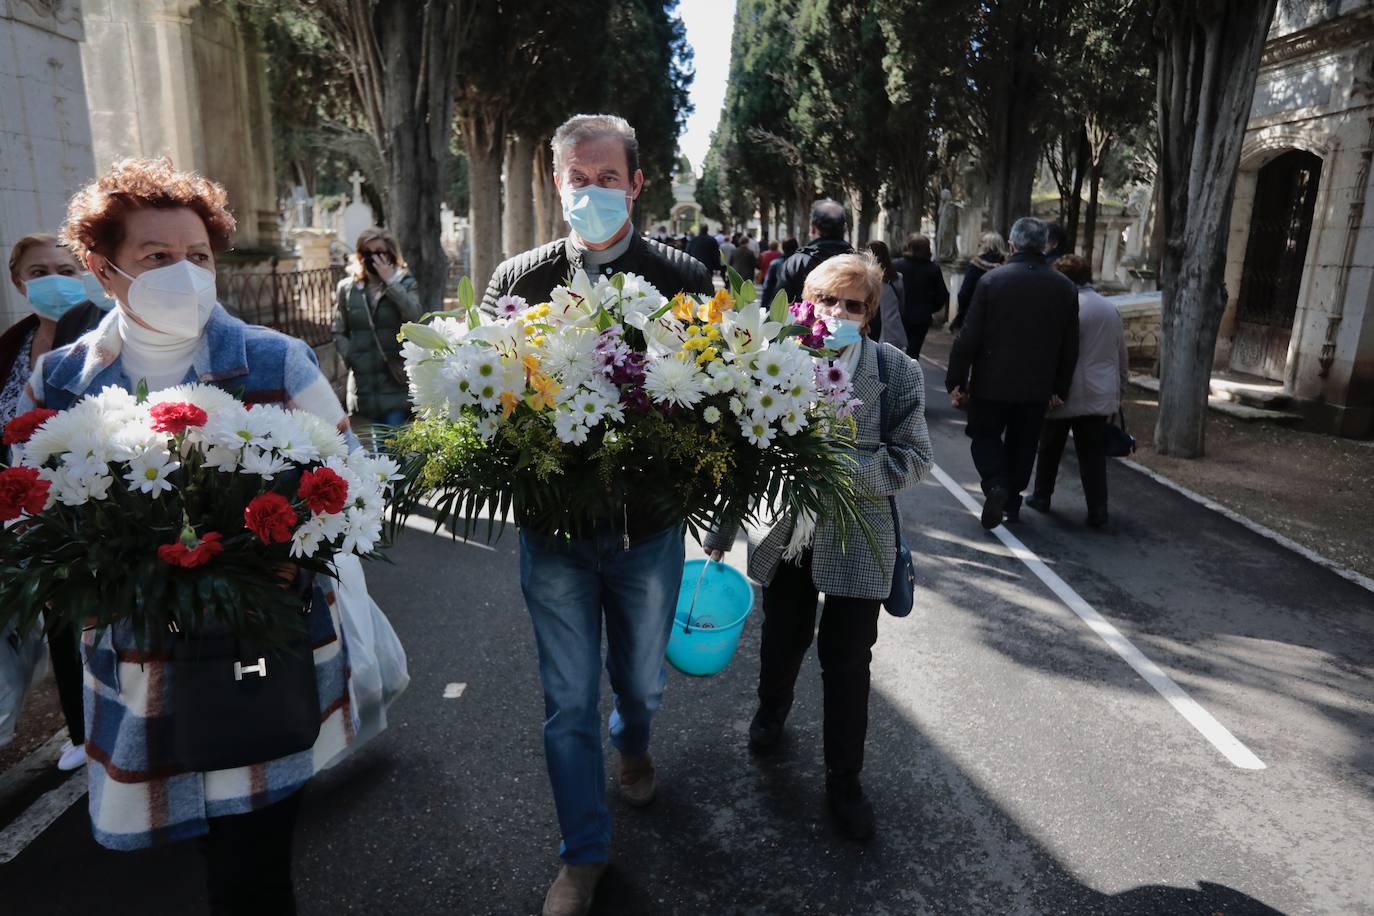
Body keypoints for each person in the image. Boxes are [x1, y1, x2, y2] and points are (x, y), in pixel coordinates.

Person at [22, 157, 353, 915]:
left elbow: (349, 490)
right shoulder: (61, 382)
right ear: (106, 272)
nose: (185, 274)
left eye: (198, 257)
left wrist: (276, 552)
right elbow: (32, 515)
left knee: (252, 876)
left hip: (257, 657)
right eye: (157, 258)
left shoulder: (274, 361)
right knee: (205, 853)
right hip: (138, 666)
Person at [480, 114, 713, 916]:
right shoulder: (517, 281)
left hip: (648, 531)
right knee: (567, 699)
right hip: (555, 537)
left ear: (638, 183)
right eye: (577, 180)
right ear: (556, 184)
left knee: (641, 686)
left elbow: (717, 391)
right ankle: (583, 855)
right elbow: (485, 402)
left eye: (607, 178)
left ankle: (636, 742)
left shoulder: (684, 275)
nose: (592, 193)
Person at [705, 253, 932, 842]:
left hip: (859, 537)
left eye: (852, 304)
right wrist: (722, 529)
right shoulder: (772, 362)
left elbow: (914, 457)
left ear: (871, 312)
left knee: (849, 660)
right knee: (783, 637)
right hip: (787, 533)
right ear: (805, 301)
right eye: (827, 300)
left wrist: (841, 469)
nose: (837, 313)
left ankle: (844, 779)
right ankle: (771, 711)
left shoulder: (896, 371)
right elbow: (745, 457)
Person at [3, 234, 106, 773]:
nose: (55, 279)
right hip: (27, 511)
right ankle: (81, 729)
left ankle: (127, 722)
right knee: (61, 618)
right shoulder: (12, 349)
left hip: (95, 501)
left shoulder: (103, 335)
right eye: (39, 270)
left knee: (107, 615)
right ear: (19, 282)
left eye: (65, 267)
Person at [945, 217, 1079, 530]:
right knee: (1024, 441)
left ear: (1011, 245)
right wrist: (1061, 387)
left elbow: (969, 336)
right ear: (1045, 245)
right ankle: (1012, 501)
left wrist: (956, 380)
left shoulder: (992, 281)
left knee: (984, 433)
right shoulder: (1064, 287)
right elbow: (1069, 344)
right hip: (1037, 383)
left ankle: (996, 484)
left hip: (991, 380)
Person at [1026, 255, 1129, 528]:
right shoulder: (1109, 308)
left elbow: (1050, 351)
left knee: (1050, 447)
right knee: (1092, 453)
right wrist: (1121, 386)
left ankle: (1042, 496)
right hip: (1100, 390)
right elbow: (1120, 353)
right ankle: (1098, 509)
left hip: (1065, 390)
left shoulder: (1062, 306)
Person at [331, 227, 421, 431]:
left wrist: (391, 282)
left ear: (390, 254)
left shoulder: (404, 283)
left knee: (392, 446)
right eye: (367, 253)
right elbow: (338, 329)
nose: (373, 258)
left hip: (395, 383)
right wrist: (351, 356)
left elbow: (414, 315)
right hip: (364, 387)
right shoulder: (347, 288)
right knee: (375, 450)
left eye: (379, 252)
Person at [761, 199, 854, 309]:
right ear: (844, 229)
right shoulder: (861, 264)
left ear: (813, 229)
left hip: (803, 325)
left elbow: (779, 308)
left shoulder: (795, 262)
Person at [891, 233, 948, 360]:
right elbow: (942, 295)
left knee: (893, 351)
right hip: (921, 317)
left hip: (898, 315)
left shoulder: (896, 265)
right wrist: (929, 308)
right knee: (913, 353)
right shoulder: (933, 269)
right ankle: (909, 377)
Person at [950, 231, 1007, 332]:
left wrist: (962, 310)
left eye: (982, 242)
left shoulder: (976, 264)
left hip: (975, 312)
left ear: (986, 245)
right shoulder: (1008, 266)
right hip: (1000, 314)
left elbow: (965, 292)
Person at [864, 240, 907, 352]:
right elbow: (901, 304)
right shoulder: (896, 278)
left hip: (870, 324)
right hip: (891, 327)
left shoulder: (864, 279)